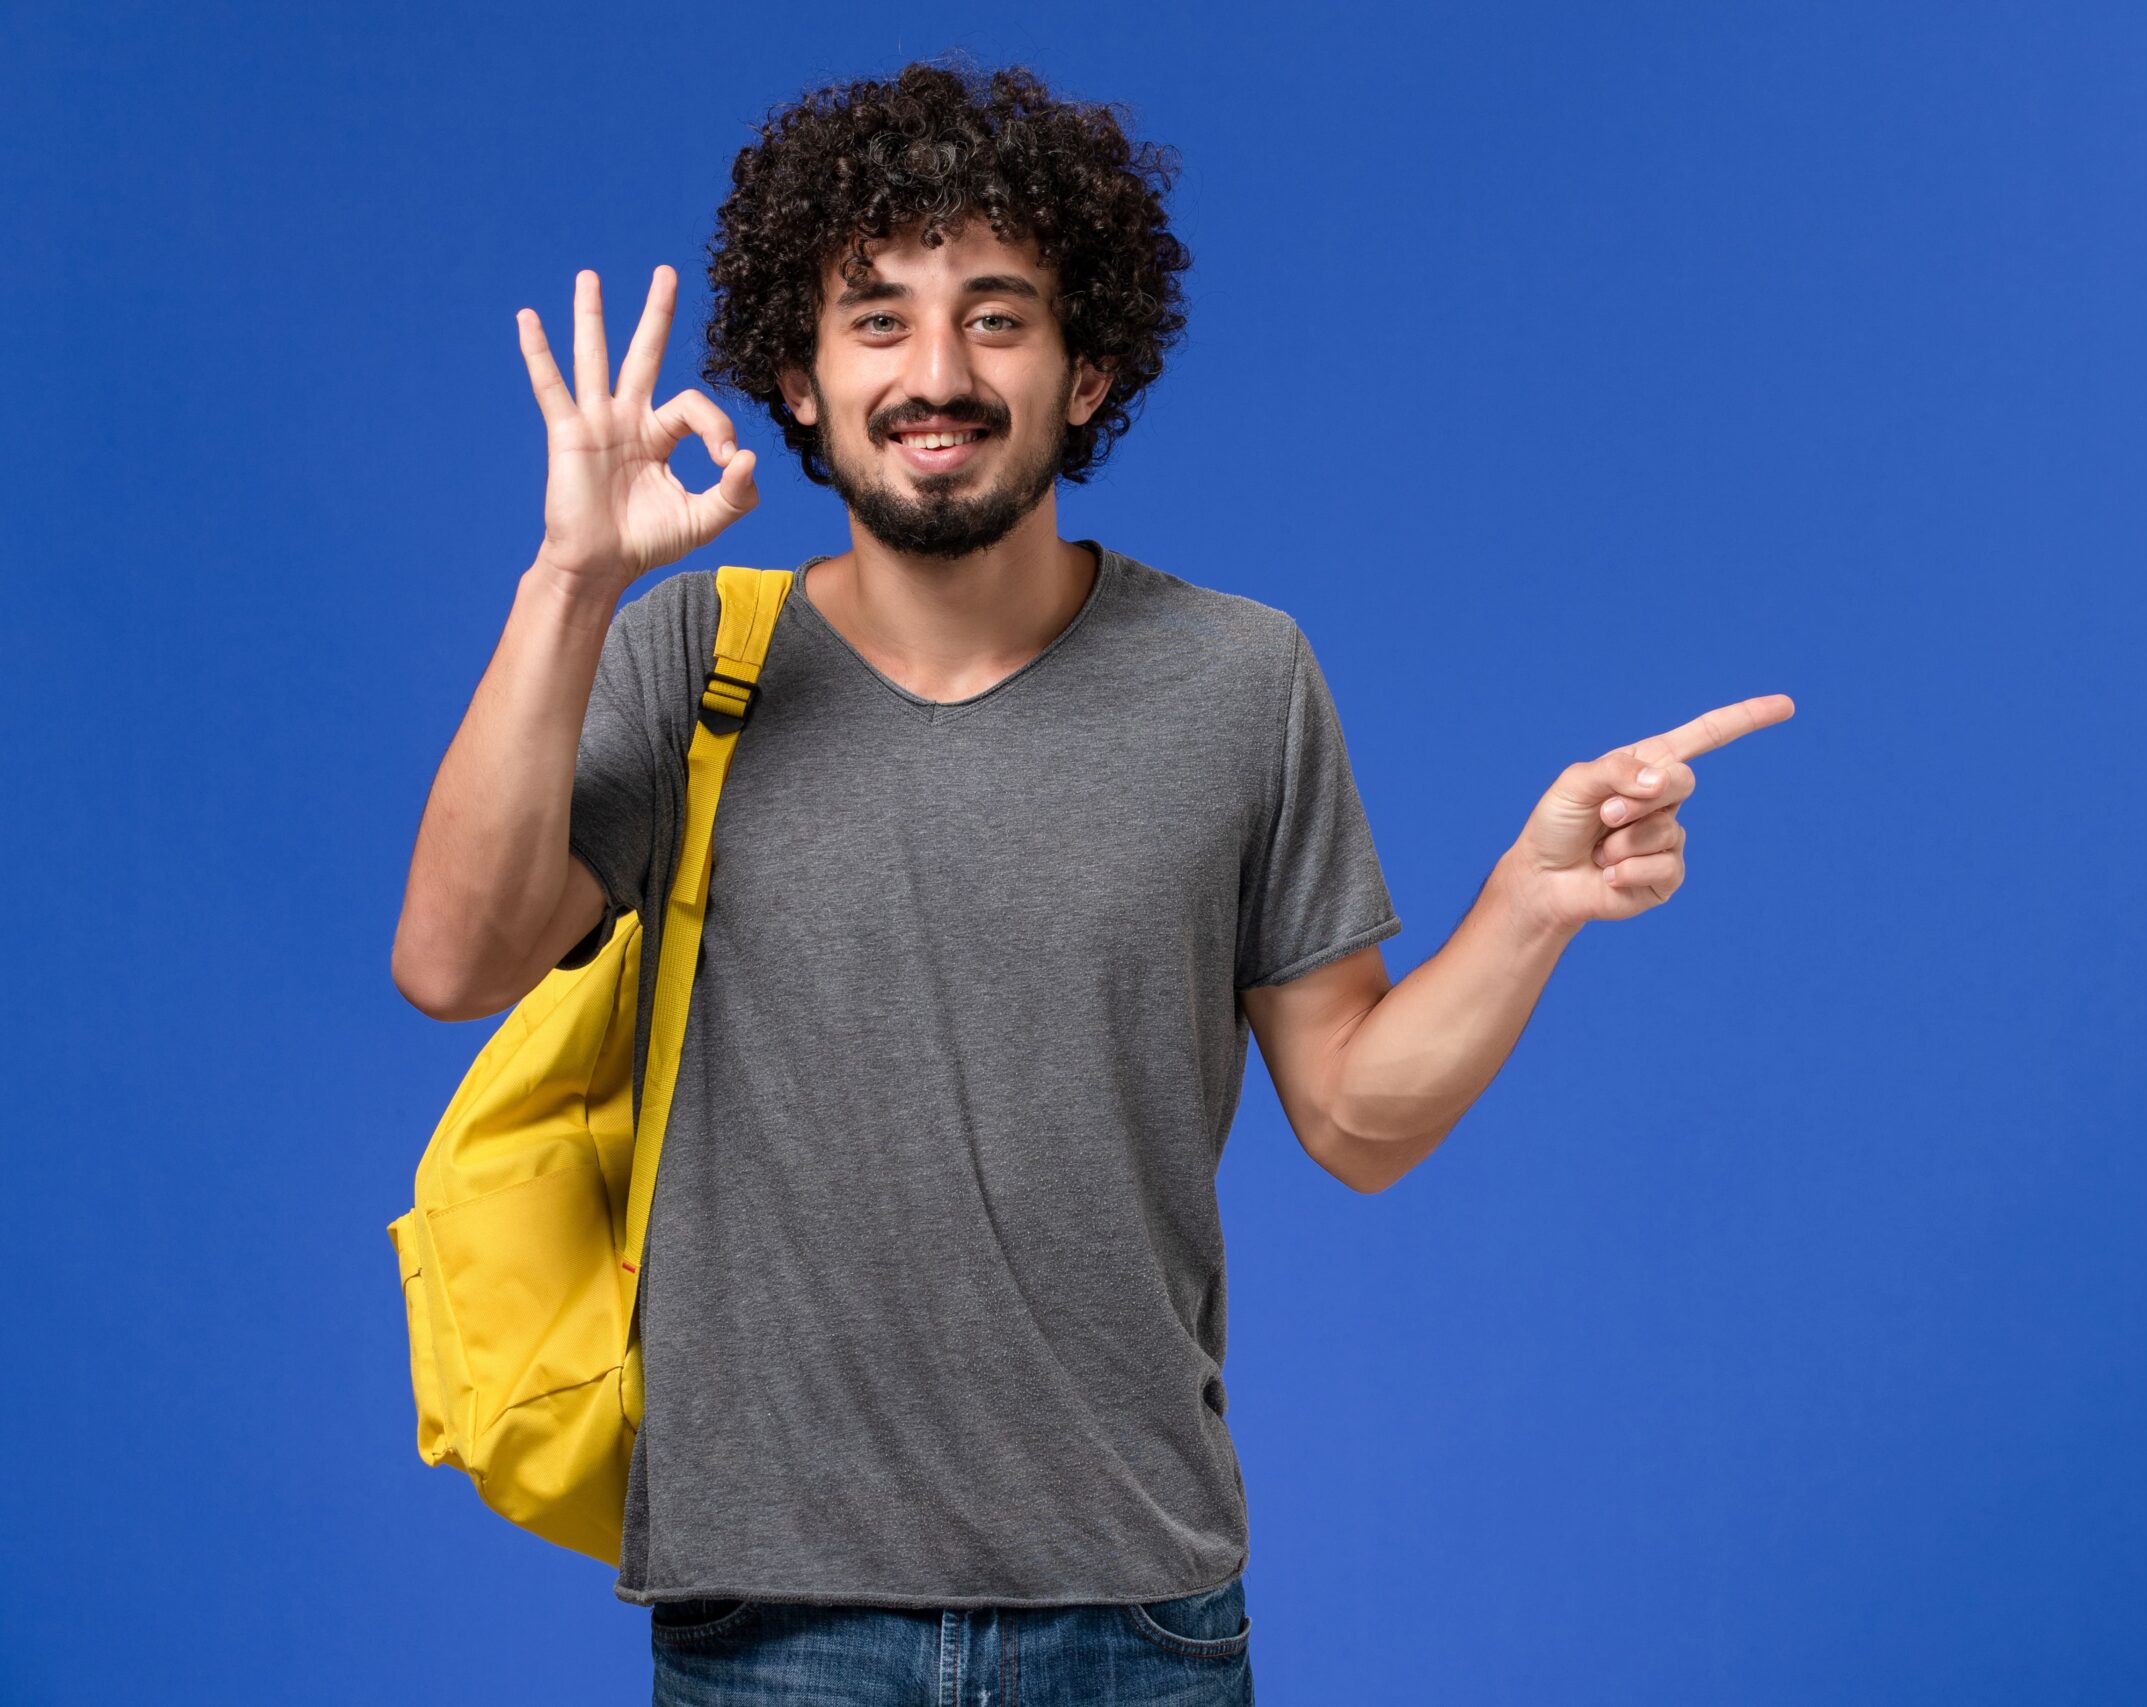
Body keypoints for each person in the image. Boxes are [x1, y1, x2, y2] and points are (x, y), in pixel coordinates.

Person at [391, 57, 1790, 1706]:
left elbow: (1352, 1114)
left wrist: (1529, 905)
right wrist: (571, 577)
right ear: (799, 371)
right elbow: (457, 961)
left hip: (1136, 1620)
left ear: (1087, 369)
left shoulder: (1237, 679)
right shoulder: (688, 657)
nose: (937, 372)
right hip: (768, 1619)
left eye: (998, 316)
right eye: (877, 318)